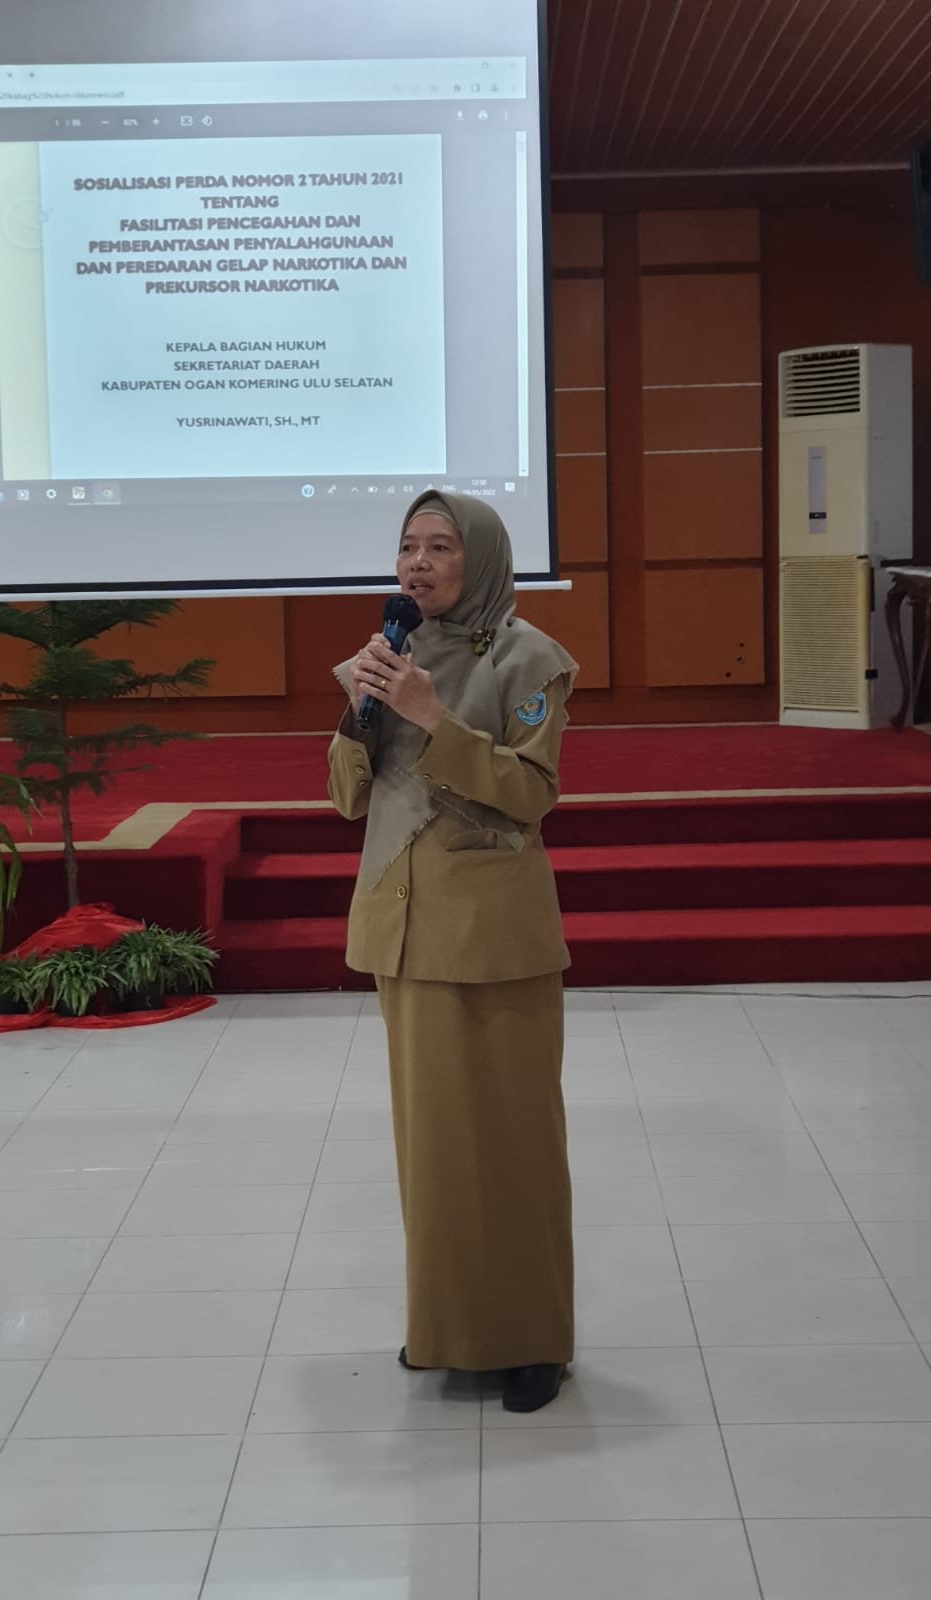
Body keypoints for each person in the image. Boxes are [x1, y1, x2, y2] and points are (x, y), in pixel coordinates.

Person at [327, 489, 578, 1414]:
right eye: (408, 546)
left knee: (512, 1144)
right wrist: (361, 713)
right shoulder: (387, 658)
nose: (418, 563)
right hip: (405, 925)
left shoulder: (530, 658)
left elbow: (531, 793)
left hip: (493, 932)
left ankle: (533, 1342)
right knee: (433, 1150)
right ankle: (450, 1328)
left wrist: (435, 718)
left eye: (439, 546)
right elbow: (346, 799)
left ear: (480, 558)